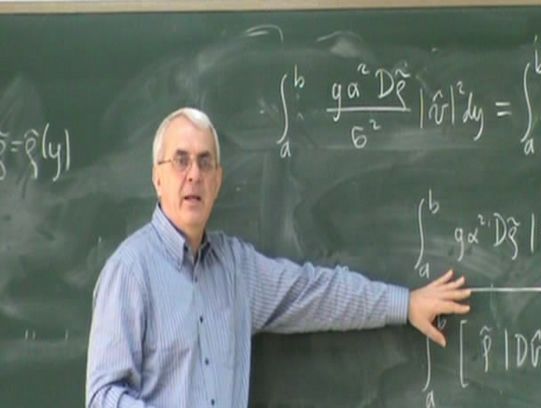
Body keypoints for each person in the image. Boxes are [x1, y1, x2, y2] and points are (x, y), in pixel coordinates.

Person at [85, 107, 471, 408]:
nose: (194, 175)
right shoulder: (130, 271)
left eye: (205, 162)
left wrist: (406, 304)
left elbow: (315, 293)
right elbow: (102, 396)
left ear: (218, 180)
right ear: (157, 177)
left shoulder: (237, 269)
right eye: (181, 160)